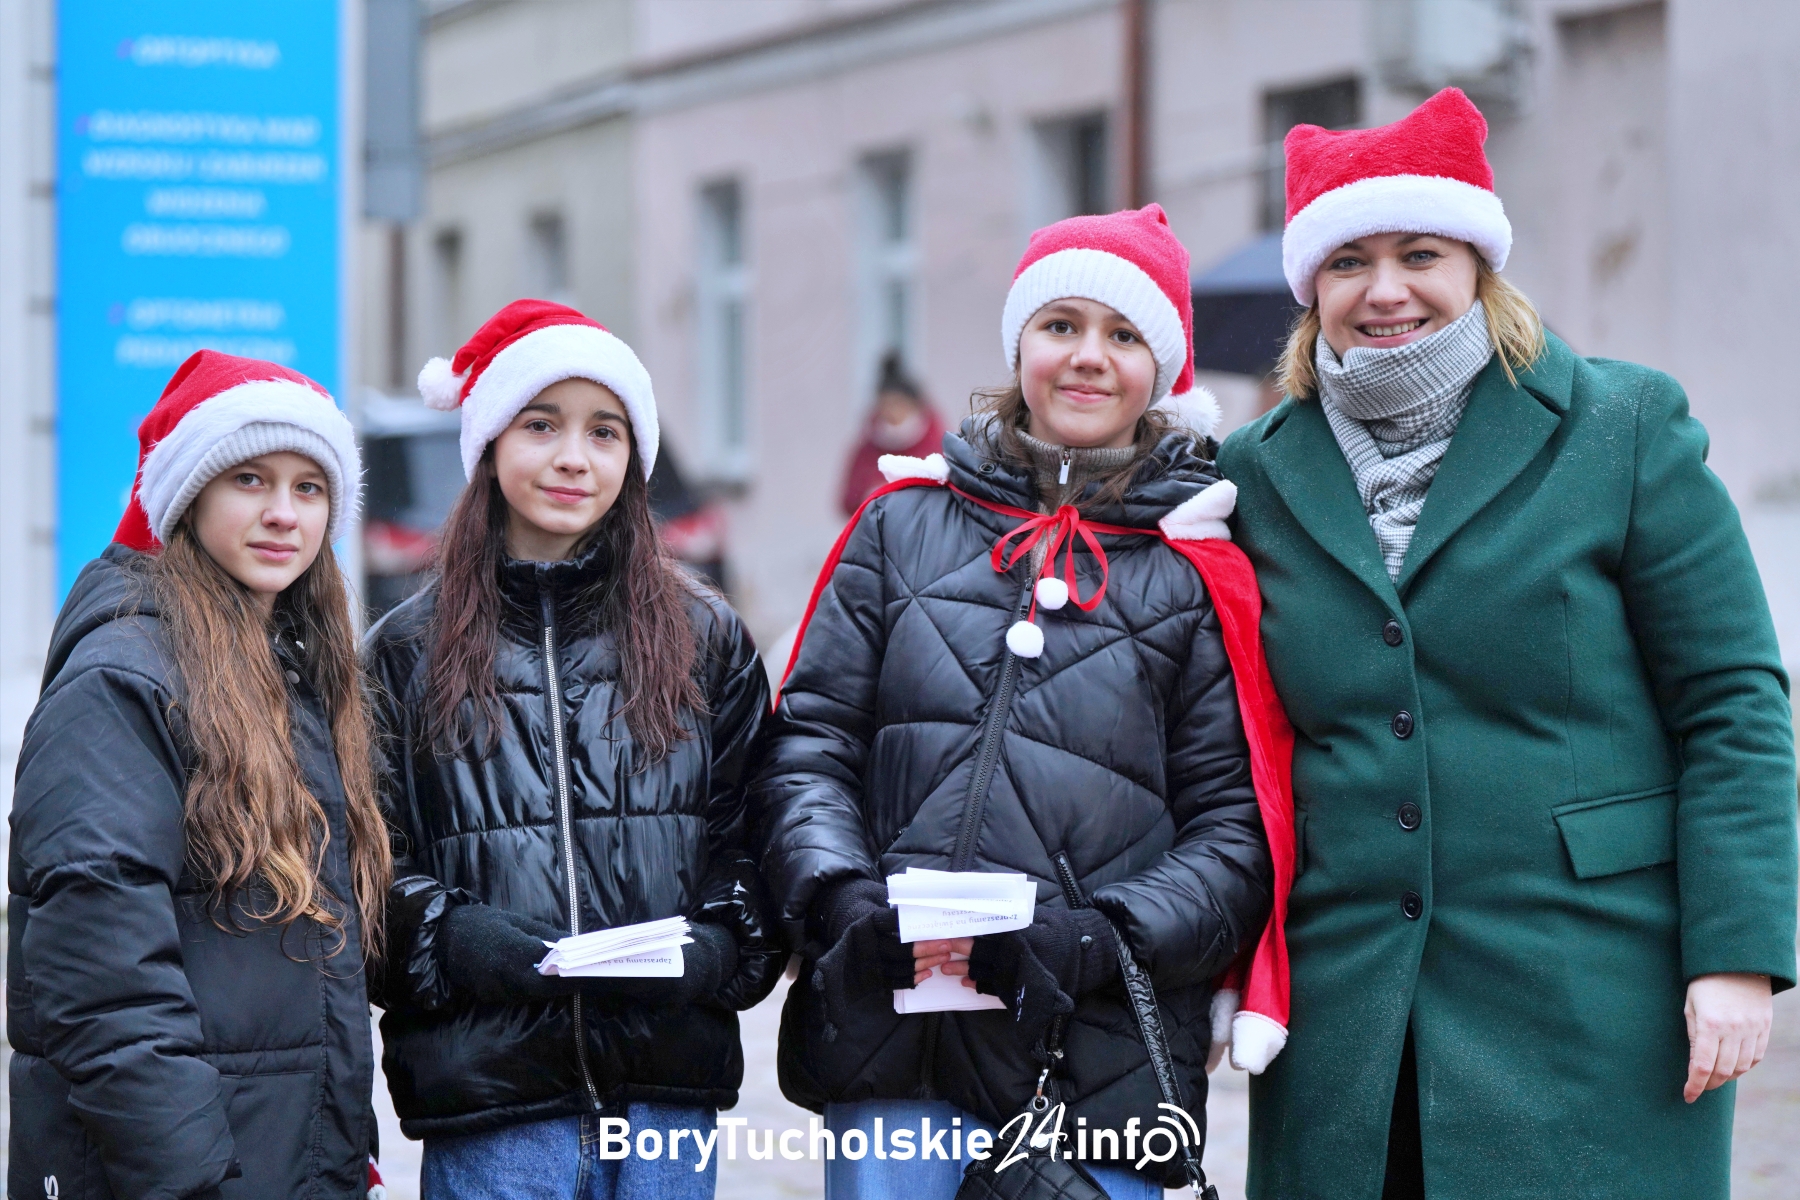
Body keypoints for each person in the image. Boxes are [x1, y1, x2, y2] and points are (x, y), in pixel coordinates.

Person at [1216, 88, 1799, 1198]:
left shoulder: (1621, 429)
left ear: (1479, 266)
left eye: (1420, 253)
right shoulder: (1252, 473)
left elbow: (1734, 702)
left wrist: (1736, 955)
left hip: (1589, 990)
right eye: (1348, 263)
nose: (1385, 291)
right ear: (1310, 290)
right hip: (1350, 1018)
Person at [751, 205, 1279, 1198]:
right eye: (1062, 326)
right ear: (1020, 344)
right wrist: (835, 894)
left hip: (1094, 1060)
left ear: (1160, 370)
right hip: (891, 1029)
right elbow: (810, 744)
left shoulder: (1196, 575)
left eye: (1124, 336)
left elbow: (1235, 832)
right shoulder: (899, 529)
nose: (1088, 357)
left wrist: (1098, 939)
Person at [369, 299, 783, 1199]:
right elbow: (363, 862)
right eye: (541, 424)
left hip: (667, 1092)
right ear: (488, 446)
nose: (573, 458)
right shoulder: (405, 649)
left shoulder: (703, 633)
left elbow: (756, 826)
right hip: (493, 1104)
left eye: (605, 432)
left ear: (634, 458)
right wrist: (453, 937)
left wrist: (725, 946)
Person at [8, 351, 390, 1199]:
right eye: (250, 479)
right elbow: (106, 982)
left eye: (309, 487)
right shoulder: (126, 675)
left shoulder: (289, 669)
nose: (283, 514)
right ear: (190, 497)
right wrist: (194, 1181)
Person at [839, 351, 947, 515]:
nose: (891, 412)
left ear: (914, 406)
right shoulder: (868, 447)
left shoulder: (937, 444)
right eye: (885, 405)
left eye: (898, 405)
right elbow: (847, 500)